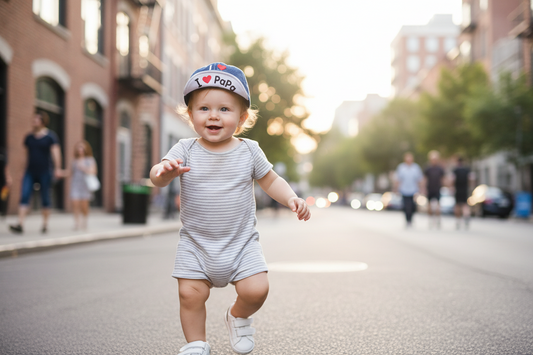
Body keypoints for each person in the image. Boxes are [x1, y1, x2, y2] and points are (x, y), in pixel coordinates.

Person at [150, 62, 311, 355]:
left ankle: (237, 316)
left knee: (256, 289)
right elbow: (157, 176)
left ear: (242, 117)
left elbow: (271, 180)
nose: (213, 115)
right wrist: (164, 171)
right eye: (204, 108)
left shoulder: (249, 151)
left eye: (224, 109)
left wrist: (291, 198)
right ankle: (197, 343)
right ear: (190, 115)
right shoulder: (185, 149)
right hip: (196, 244)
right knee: (190, 294)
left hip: (241, 243)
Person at [10, 112, 63, 234]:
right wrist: (22, 171)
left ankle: (45, 224)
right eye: (33, 120)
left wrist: (58, 168)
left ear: (43, 121)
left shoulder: (50, 137)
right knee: (24, 195)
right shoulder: (29, 137)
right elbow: (24, 156)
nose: (33, 122)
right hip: (30, 171)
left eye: (36, 120)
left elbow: (56, 153)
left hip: (45, 171)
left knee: (45, 197)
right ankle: (20, 224)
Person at [69, 140, 97, 230]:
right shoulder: (74, 161)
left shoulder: (90, 160)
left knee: (84, 206)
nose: (80, 150)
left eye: (82, 148)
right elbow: (70, 173)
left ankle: (84, 220)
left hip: (85, 185)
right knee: (75, 203)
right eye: (79, 148)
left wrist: (83, 167)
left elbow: (93, 171)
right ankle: (77, 223)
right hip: (75, 184)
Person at [394, 152, 423, 228]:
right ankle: (407, 220)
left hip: (413, 190)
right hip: (404, 190)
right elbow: (398, 179)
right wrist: (396, 189)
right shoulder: (401, 167)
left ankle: (411, 218)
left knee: (413, 206)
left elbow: (419, 179)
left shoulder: (416, 168)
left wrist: (421, 189)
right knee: (405, 206)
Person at [424, 150, 445, 229]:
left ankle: (438, 220)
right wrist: (423, 188)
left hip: (437, 189)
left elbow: (443, 179)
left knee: (438, 206)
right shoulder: (428, 168)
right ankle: (430, 219)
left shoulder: (440, 169)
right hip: (429, 189)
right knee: (429, 206)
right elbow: (425, 179)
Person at [452, 156, 472, 230]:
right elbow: (471, 179)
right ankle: (466, 216)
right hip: (465, 189)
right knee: (465, 204)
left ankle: (458, 221)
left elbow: (452, 179)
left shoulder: (455, 170)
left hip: (457, 189)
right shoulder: (467, 170)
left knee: (457, 205)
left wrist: (452, 187)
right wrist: (469, 187)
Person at [0, 147, 12, 216]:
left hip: (3, 179)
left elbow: (6, 167)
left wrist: (8, 177)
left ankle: (3, 211)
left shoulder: (3, 152)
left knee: (3, 196)